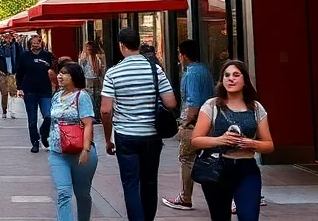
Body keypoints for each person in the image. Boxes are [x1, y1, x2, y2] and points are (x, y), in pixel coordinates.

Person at [100, 28, 177, 221]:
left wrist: (108, 139)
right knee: (150, 182)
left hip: (126, 136)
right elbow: (171, 103)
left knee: (131, 184)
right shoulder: (155, 69)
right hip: (152, 135)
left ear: (121, 46)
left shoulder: (113, 73)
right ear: (138, 44)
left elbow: (106, 110)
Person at [190, 61, 273, 221]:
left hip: (246, 169)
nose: (231, 79)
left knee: (249, 216)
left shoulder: (256, 108)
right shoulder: (212, 106)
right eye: (226, 75)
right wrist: (220, 140)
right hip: (218, 169)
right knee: (220, 216)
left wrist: (252, 144)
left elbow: (269, 145)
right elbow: (196, 140)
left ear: (245, 80)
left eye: (236, 75)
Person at [163, 41, 216, 211]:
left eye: (179, 53)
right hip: (209, 120)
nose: (179, 57)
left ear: (184, 54)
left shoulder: (191, 73)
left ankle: (186, 196)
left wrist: (185, 123)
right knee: (211, 157)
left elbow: (192, 102)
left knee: (187, 158)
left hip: (194, 123)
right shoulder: (205, 71)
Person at [49, 62, 98, 221]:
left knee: (82, 194)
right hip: (58, 152)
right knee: (63, 193)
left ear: (75, 76)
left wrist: (86, 150)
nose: (60, 76)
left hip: (79, 152)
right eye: (59, 73)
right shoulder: (57, 95)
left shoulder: (82, 96)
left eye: (64, 73)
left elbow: (88, 124)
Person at [17, 33, 57, 153]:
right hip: (29, 91)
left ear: (41, 43)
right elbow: (19, 73)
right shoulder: (24, 56)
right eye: (33, 43)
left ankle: (44, 135)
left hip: (45, 90)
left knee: (48, 115)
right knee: (32, 119)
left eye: (38, 42)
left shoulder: (48, 56)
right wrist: (19, 88)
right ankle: (35, 142)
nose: (36, 45)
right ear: (30, 44)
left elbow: (54, 70)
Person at [0, 32, 20, 118]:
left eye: (9, 37)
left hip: (12, 72)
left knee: (13, 92)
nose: (7, 39)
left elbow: (20, 56)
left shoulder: (16, 46)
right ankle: (4, 110)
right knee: (4, 93)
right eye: (6, 37)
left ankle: (13, 111)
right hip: (2, 72)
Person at [79, 41, 104, 114]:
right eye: (87, 48)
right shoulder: (84, 59)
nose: (89, 50)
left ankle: (97, 113)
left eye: (90, 49)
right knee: (90, 97)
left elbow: (101, 70)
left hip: (96, 79)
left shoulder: (97, 58)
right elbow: (81, 70)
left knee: (97, 97)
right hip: (88, 80)